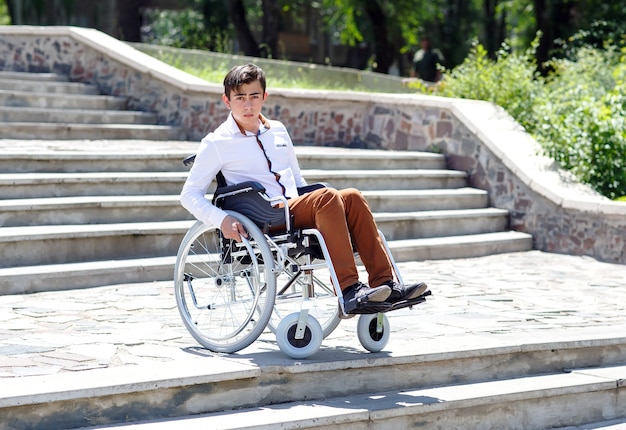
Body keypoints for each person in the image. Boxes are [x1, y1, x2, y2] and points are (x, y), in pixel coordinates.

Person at [180, 63, 428, 316]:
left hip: (293, 208)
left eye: (254, 96)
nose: (248, 105)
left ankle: (385, 283)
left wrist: (321, 204)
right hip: (263, 215)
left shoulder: (277, 131)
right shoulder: (216, 142)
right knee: (327, 198)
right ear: (227, 100)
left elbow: (297, 181)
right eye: (240, 98)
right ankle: (349, 290)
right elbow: (189, 195)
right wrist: (222, 220)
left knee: (352, 197)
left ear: (264, 97)